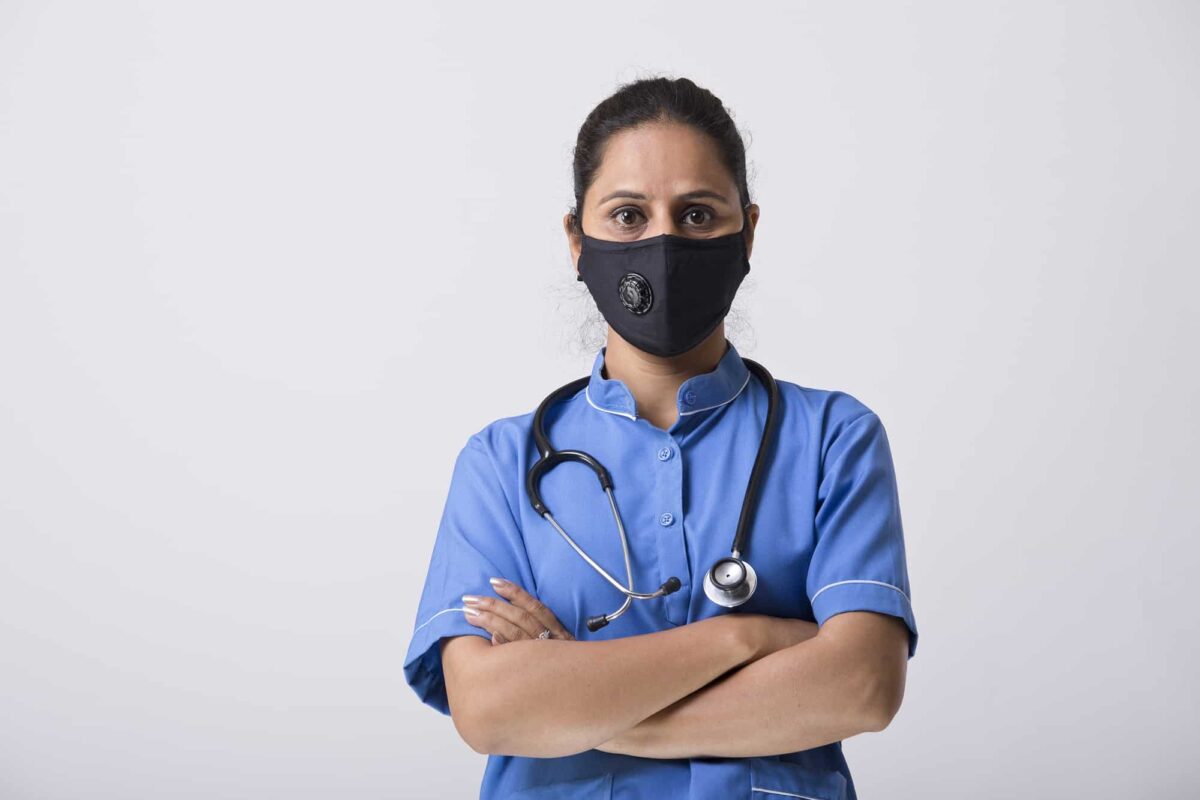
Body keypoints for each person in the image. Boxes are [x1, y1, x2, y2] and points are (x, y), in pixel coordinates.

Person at [402, 75, 919, 800]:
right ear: (577, 239)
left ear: (749, 230)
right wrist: (748, 637)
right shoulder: (500, 464)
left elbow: (861, 687)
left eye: (699, 213)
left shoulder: (833, 438)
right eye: (628, 215)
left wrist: (578, 705)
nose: (664, 242)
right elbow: (489, 710)